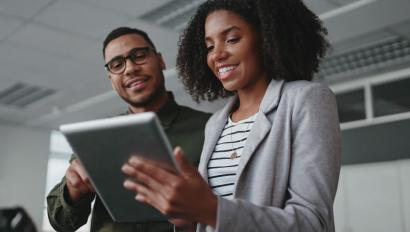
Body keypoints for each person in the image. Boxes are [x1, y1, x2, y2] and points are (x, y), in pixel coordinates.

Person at [121, 0, 341, 231]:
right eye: (209, 47)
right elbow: (211, 219)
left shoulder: (306, 99)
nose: (217, 55)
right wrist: (189, 219)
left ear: (266, 38)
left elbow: (312, 223)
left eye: (232, 39)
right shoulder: (215, 123)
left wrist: (211, 210)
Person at [46, 27, 210, 232]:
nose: (130, 68)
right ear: (111, 79)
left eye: (139, 56)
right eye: (117, 64)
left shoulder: (210, 128)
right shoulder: (97, 137)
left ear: (160, 60)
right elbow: (60, 222)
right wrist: (74, 191)